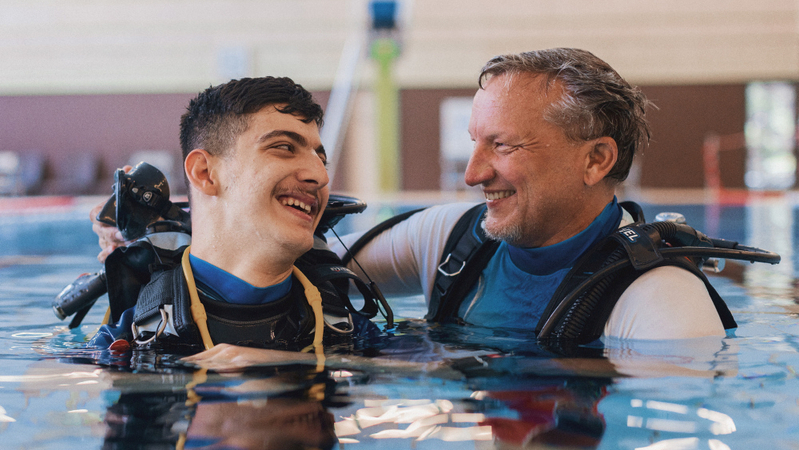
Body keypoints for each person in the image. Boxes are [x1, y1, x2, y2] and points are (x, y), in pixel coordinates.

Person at [333, 47, 740, 342]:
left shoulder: (663, 306)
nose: (472, 175)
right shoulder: (453, 240)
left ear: (596, 160)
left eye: (503, 146)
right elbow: (301, 269)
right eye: (475, 142)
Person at [87, 76, 382, 354]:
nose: (320, 176)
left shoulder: (349, 330)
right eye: (284, 147)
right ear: (205, 173)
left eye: (321, 159)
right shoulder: (127, 342)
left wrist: (281, 362)